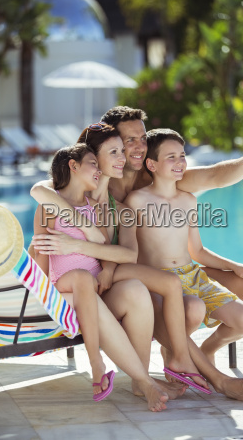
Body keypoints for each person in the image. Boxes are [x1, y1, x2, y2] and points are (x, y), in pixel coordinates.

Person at [31, 124, 243, 403]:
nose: (123, 157)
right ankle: (207, 376)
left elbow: (122, 253)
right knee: (151, 290)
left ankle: (168, 365)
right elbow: (40, 193)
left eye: (122, 151)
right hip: (79, 282)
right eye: (114, 152)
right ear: (89, 161)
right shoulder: (68, 200)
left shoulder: (118, 206)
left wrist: (93, 251)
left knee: (163, 287)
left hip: (110, 277)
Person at [32, 141, 182, 410]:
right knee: (81, 278)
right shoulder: (47, 208)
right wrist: (43, 301)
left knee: (135, 289)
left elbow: (112, 252)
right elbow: (42, 261)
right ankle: (100, 365)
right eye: (93, 164)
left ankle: (140, 380)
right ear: (73, 166)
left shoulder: (97, 209)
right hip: (66, 290)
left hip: (97, 293)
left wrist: (92, 242)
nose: (98, 171)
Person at [123, 128, 243, 369]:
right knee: (194, 309)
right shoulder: (137, 201)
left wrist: (235, 266)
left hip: (193, 275)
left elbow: (198, 251)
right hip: (160, 281)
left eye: (182, 155)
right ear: (152, 165)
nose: (180, 162)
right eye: (171, 157)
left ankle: (207, 350)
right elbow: (130, 254)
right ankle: (173, 356)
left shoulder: (188, 200)